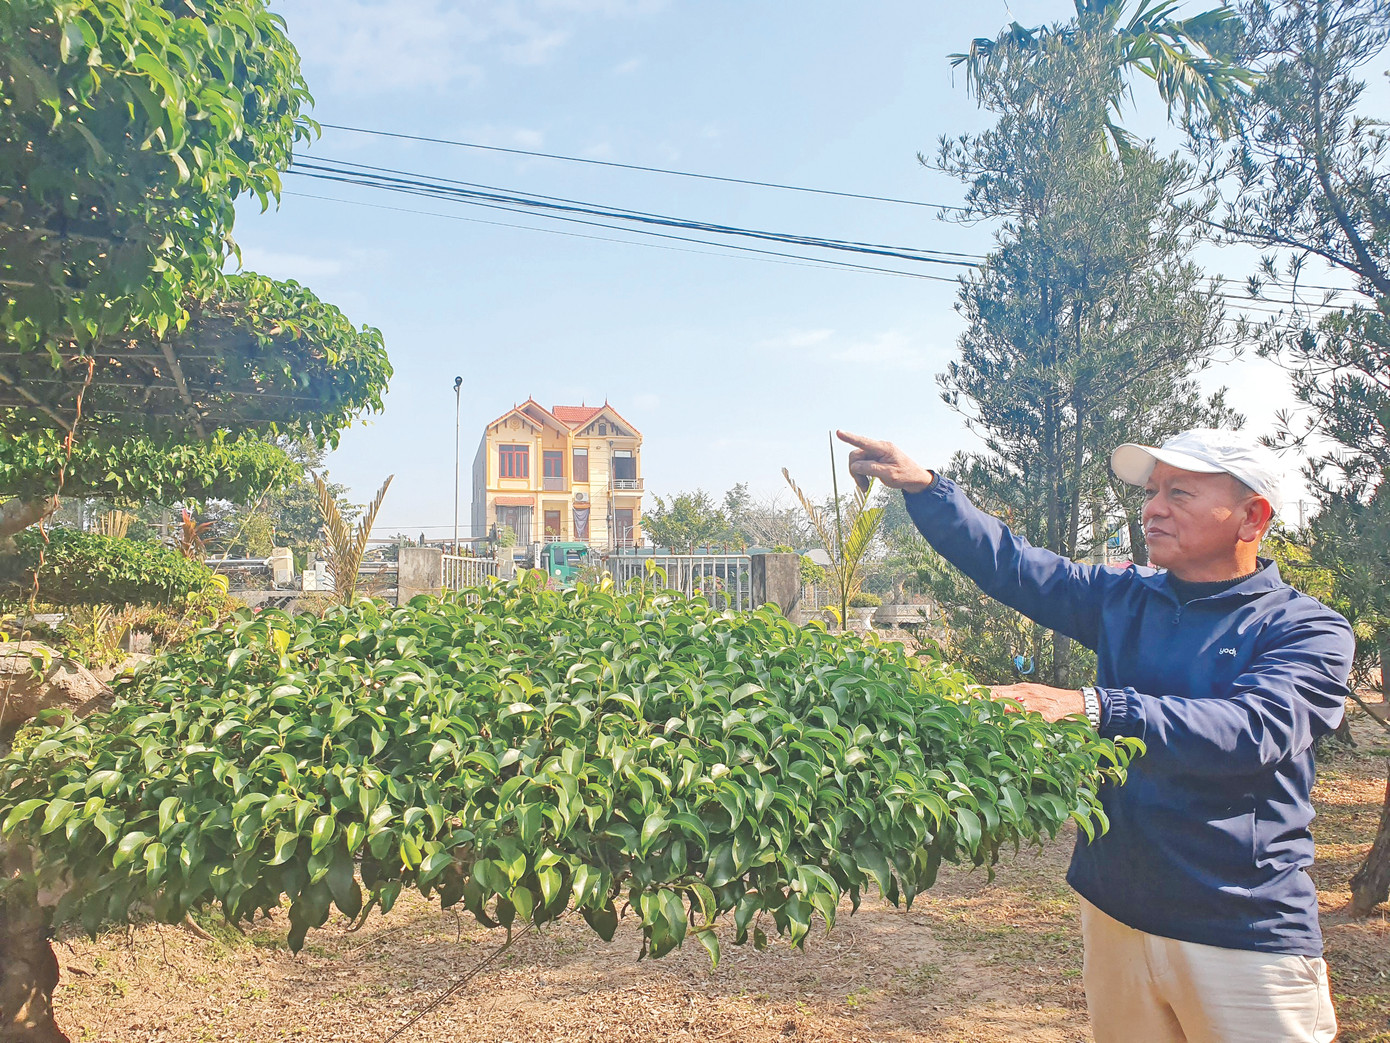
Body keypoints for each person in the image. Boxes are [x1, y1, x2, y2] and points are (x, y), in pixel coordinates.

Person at [840, 427, 1351, 1043]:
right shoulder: (1128, 598)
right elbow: (1015, 566)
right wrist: (924, 488)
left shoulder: (1304, 629)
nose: (1153, 508)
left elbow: (1255, 727)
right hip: (1116, 915)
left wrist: (1095, 707)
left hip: (1240, 928)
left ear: (1251, 518)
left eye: (1181, 492)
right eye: (1154, 490)